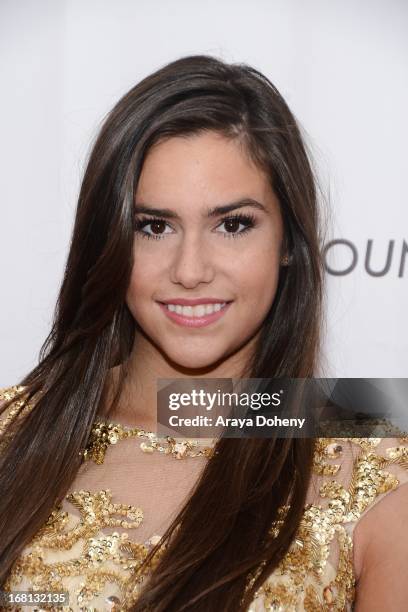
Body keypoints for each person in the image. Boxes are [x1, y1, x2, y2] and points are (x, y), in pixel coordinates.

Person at [0, 54, 407, 612]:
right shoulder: (11, 435)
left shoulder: (377, 467)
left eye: (233, 225)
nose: (190, 270)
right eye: (155, 226)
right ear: (110, 240)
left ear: (289, 241)